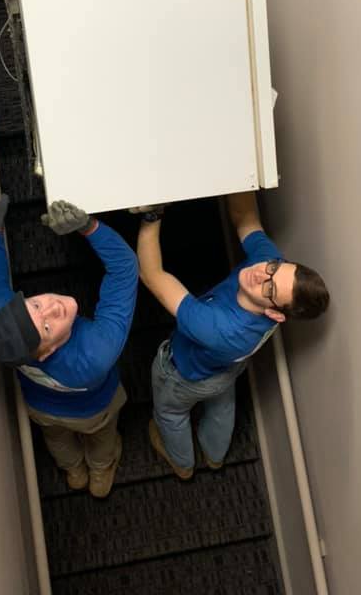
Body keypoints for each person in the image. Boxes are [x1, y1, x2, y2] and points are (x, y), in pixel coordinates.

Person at [135, 193, 330, 478]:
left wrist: (152, 216)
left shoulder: (217, 328)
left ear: (277, 315)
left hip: (184, 376)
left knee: (171, 414)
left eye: (270, 289)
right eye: (274, 269)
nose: (260, 274)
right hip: (229, 369)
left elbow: (153, 275)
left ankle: (183, 463)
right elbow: (246, 218)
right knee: (222, 405)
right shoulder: (269, 263)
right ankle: (215, 455)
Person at [0, 194, 138, 498]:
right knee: (102, 437)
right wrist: (89, 226)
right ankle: (99, 470)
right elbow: (124, 269)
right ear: (49, 351)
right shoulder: (96, 352)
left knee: (57, 440)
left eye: (36, 304)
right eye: (46, 327)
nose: (52, 306)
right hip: (95, 411)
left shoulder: (2, 317)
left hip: (40, 407)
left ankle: (74, 471)